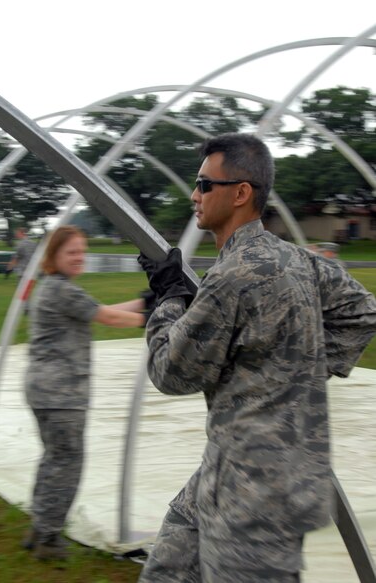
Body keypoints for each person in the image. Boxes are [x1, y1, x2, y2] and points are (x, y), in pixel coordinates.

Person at [137, 133, 376, 583]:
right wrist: (291, 369)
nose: (194, 194)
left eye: (205, 184)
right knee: (167, 569)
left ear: (241, 193)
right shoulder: (300, 261)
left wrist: (167, 300)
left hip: (257, 501)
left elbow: (171, 371)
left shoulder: (231, 276)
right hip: (228, 471)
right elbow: (362, 313)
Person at [23, 225, 146, 560]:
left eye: (81, 251)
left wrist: (145, 299)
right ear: (54, 257)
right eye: (71, 252)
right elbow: (109, 317)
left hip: (44, 389)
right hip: (61, 393)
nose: (79, 257)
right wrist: (156, 316)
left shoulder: (57, 289)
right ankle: (48, 539)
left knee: (53, 458)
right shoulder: (61, 290)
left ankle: (40, 523)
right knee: (67, 462)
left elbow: (99, 309)